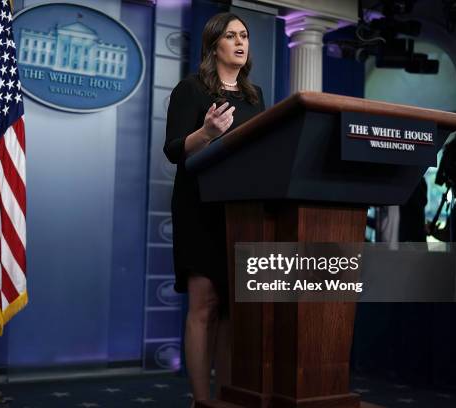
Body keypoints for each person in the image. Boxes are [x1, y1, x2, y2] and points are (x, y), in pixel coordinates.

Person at [163, 12, 265, 406]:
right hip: (200, 207)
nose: (240, 42)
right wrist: (205, 133)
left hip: (242, 210)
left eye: (245, 36)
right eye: (231, 36)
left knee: (231, 309)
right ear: (213, 45)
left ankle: (225, 396)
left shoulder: (254, 98)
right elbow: (174, 150)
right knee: (204, 304)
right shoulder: (191, 90)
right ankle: (201, 400)